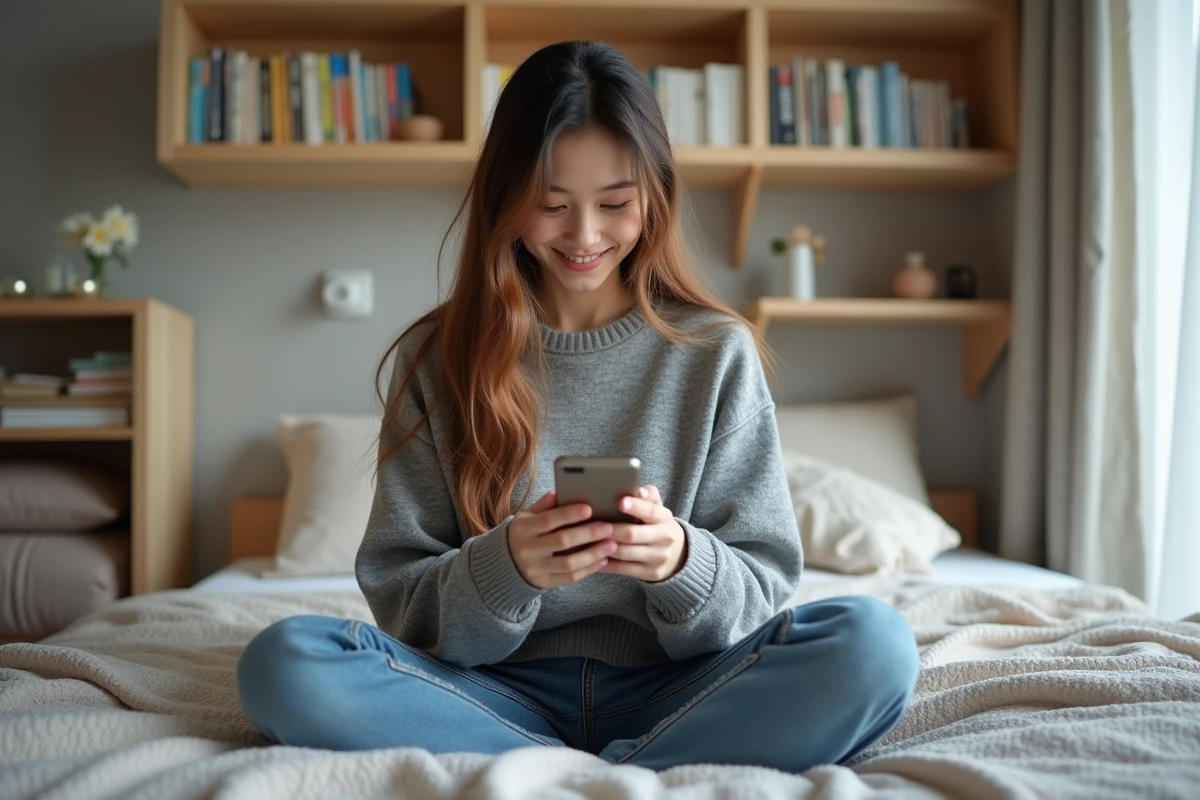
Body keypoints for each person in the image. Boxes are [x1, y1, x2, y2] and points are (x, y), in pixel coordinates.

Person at [237, 40, 919, 774]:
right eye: (550, 205)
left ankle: (552, 772)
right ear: (505, 198)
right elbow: (403, 607)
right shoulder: (438, 358)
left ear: (654, 195)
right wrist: (507, 568)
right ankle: (616, 769)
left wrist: (682, 562)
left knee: (875, 645)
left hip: (682, 688)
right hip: (484, 693)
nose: (585, 236)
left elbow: (764, 592)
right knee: (284, 663)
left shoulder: (716, 352)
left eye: (616, 204)